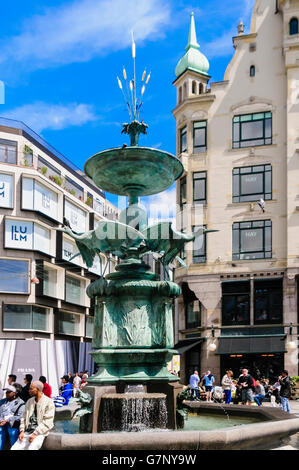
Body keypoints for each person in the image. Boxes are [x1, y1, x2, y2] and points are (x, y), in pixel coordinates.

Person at [11, 380, 55, 451]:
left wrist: (35, 434)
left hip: (40, 432)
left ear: (38, 389)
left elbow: (48, 421)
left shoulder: (49, 402)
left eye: (31, 389)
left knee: (32, 448)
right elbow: (23, 418)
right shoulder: (29, 401)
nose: (29, 391)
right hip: (27, 432)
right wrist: (22, 430)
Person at [0, 383, 25, 450]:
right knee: (0, 430)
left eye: (9, 392)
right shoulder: (2, 401)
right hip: (1, 423)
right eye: (6, 391)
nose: (6, 393)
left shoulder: (21, 403)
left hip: (13, 424)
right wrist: (1, 420)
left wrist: (8, 420)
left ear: (14, 393)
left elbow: (20, 416)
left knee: (13, 432)